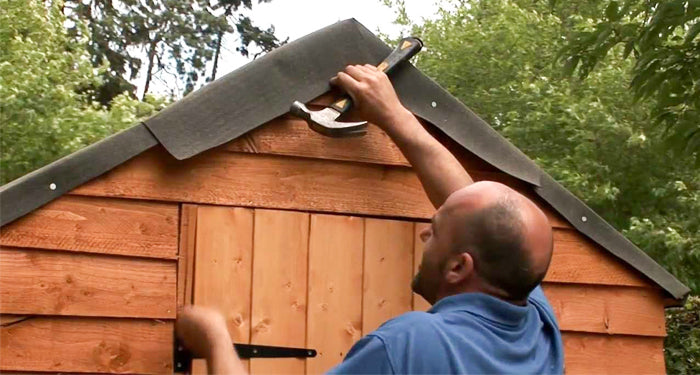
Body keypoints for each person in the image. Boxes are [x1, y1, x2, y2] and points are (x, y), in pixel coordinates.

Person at [176, 64, 564, 374]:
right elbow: (477, 209)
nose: (426, 233)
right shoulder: (538, 331)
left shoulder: (409, 346)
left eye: (437, 230)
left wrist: (214, 338)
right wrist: (394, 115)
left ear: (460, 266)